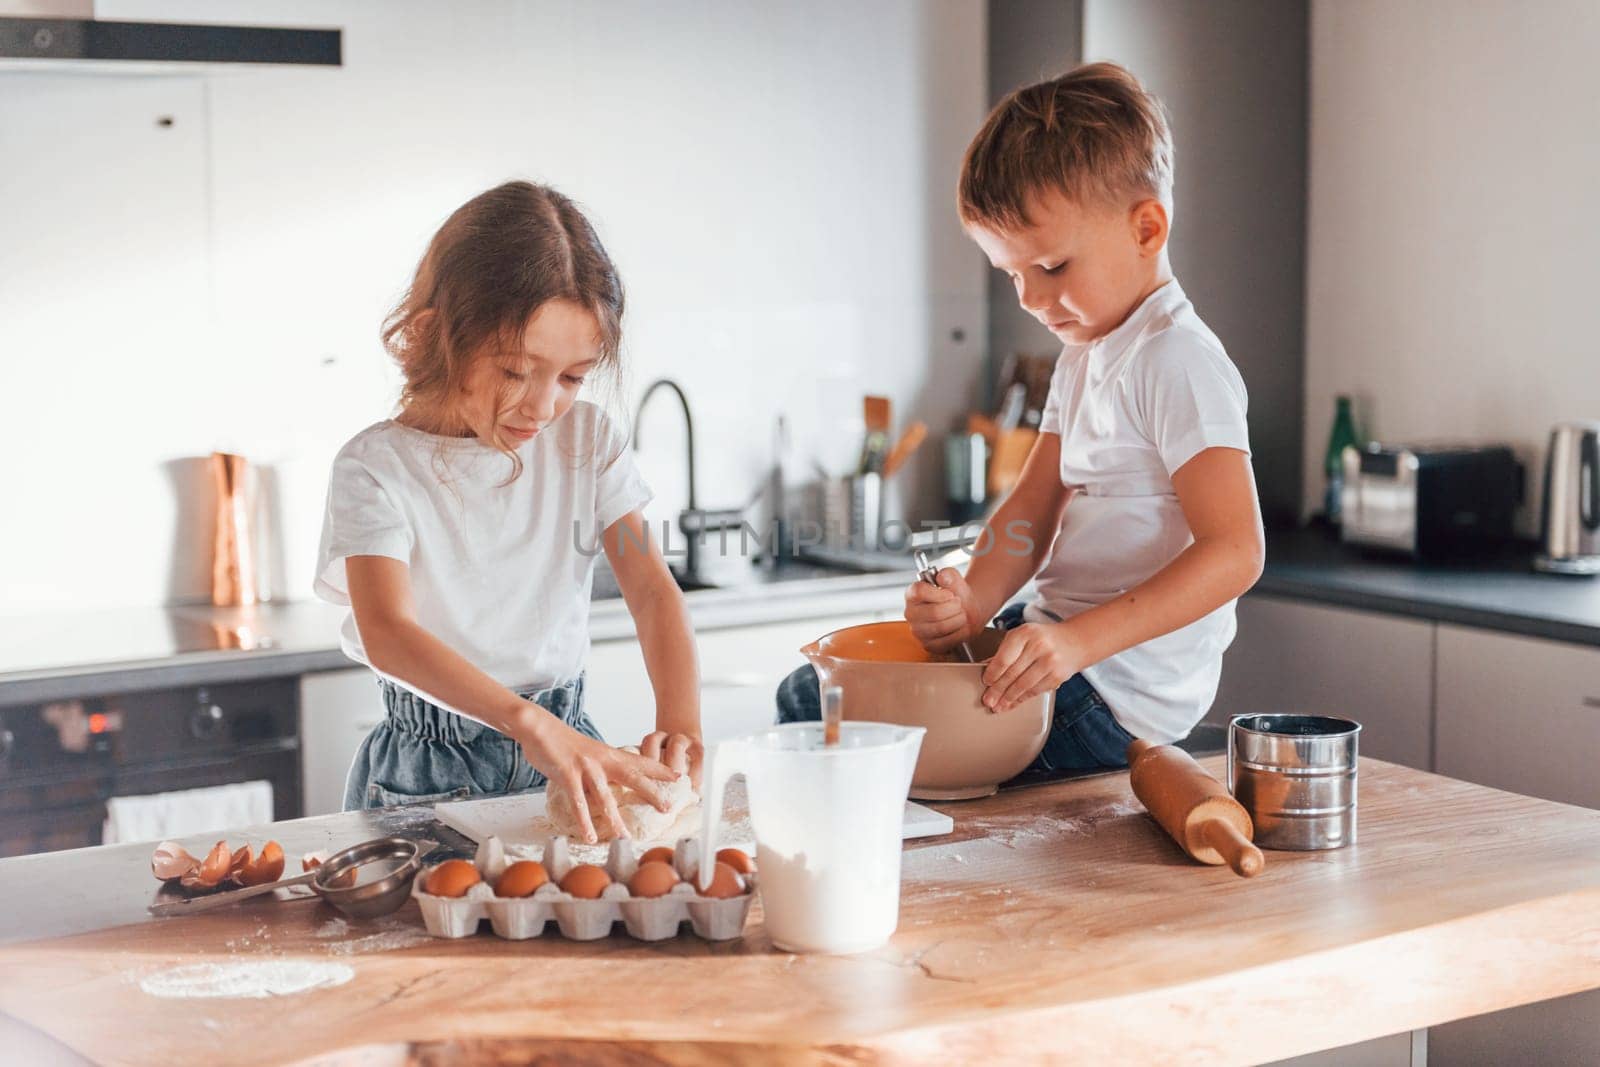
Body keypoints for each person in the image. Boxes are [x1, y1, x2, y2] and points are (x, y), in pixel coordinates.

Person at [777, 62, 1264, 772]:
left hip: (1115, 695)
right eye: (1013, 274)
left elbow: (1236, 551)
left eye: (1054, 267)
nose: (1032, 300)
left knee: (859, 739)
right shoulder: (1083, 356)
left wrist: (1076, 643)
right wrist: (973, 598)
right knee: (810, 696)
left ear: (1146, 227)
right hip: (1056, 651)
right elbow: (1032, 509)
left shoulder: (1177, 359)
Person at [315, 181, 701, 839]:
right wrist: (525, 722)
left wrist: (681, 725)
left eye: (572, 376)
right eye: (517, 371)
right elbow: (388, 631)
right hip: (427, 769)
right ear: (436, 335)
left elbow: (651, 590)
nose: (544, 404)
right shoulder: (374, 469)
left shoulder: (590, 443)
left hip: (569, 754)